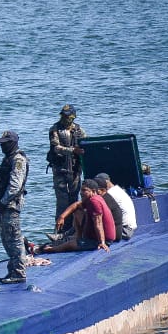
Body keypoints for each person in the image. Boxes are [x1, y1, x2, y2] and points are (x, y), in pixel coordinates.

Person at [0, 130, 29, 284]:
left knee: (14, 238)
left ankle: (19, 272)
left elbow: (15, 186)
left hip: (10, 205)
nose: (2, 146)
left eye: (5, 143)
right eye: (1, 144)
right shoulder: (8, 159)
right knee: (6, 238)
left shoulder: (18, 160)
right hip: (3, 204)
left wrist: (3, 202)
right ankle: (12, 269)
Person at [39, 179, 114, 254]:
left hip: (103, 240)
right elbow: (76, 205)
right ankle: (79, 238)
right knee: (77, 211)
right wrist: (62, 217)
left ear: (93, 191)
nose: (81, 193)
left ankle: (51, 250)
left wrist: (102, 242)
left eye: (85, 190)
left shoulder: (94, 201)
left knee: (70, 245)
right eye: (81, 190)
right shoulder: (93, 198)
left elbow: (98, 222)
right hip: (94, 237)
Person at [46, 104, 87, 234]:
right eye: (63, 116)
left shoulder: (79, 130)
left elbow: (86, 144)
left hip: (75, 170)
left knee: (74, 199)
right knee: (62, 201)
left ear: (73, 117)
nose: (65, 119)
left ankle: (74, 230)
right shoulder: (55, 129)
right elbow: (56, 148)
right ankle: (59, 231)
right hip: (60, 170)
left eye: (67, 116)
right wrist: (72, 150)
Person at [94, 172, 137, 239]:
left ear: (106, 182)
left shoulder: (110, 194)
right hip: (129, 228)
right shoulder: (117, 190)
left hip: (124, 230)